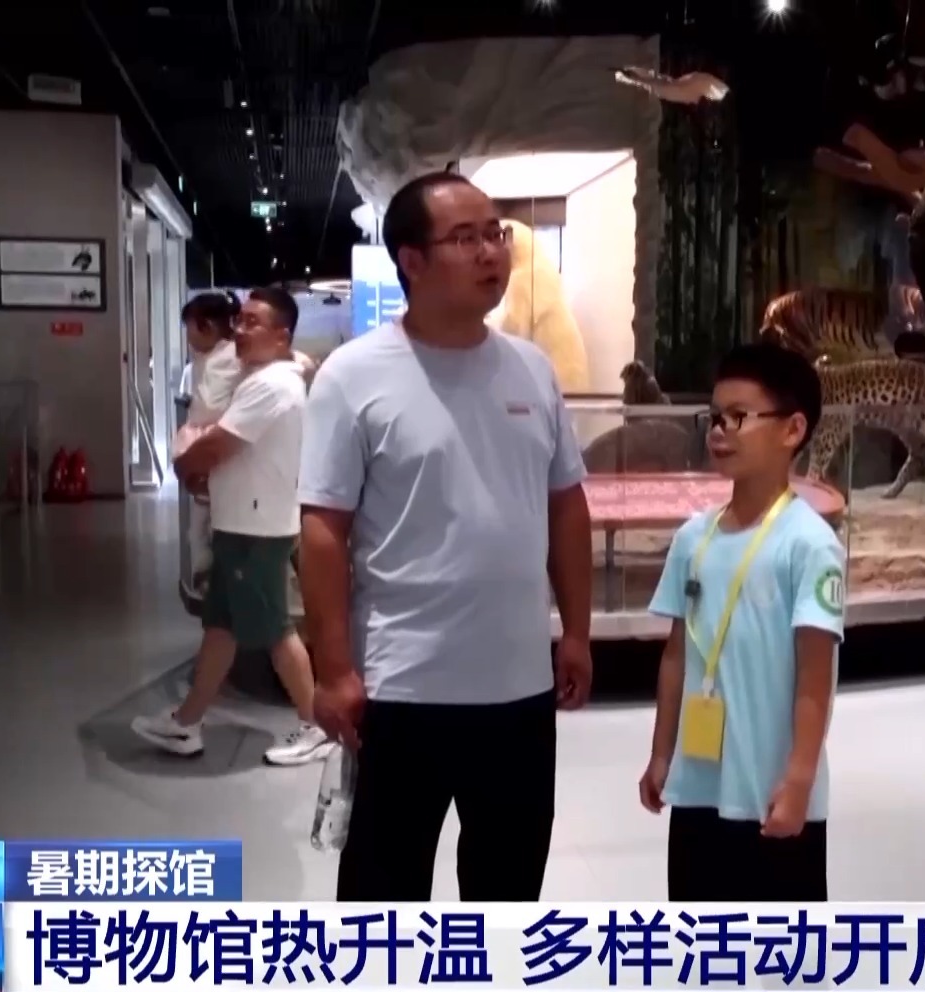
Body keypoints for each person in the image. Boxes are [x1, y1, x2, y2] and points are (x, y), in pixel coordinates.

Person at [300, 172, 594, 901]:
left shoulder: (531, 370)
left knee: (508, 890)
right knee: (383, 894)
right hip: (401, 687)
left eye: (496, 234)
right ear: (412, 260)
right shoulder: (353, 376)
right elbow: (324, 530)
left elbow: (565, 504)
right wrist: (333, 670)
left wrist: (577, 632)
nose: (491, 252)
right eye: (466, 238)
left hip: (518, 689)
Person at [638, 343, 844, 901]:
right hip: (698, 789)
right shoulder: (694, 538)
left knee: (781, 945)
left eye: (738, 416)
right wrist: (662, 753)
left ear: (792, 429)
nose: (719, 431)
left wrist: (799, 778)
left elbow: (815, 676)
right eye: (714, 417)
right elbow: (677, 656)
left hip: (772, 796)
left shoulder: (810, 544)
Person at [134, 286, 330, 766]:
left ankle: (317, 726)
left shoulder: (272, 385)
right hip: (243, 519)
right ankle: (187, 723)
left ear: (282, 335)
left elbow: (217, 444)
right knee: (221, 625)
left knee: (274, 630)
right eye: (239, 320)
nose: (239, 330)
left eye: (252, 322)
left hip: (255, 528)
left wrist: (183, 463)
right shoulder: (266, 375)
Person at [174, 291, 243, 586]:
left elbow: (214, 403)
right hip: (205, 436)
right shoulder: (206, 358)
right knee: (202, 519)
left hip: (216, 437)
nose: (188, 335)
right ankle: (205, 571)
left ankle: (208, 571)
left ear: (208, 326)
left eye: (190, 327)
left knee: (208, 520)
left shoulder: (231, 356)